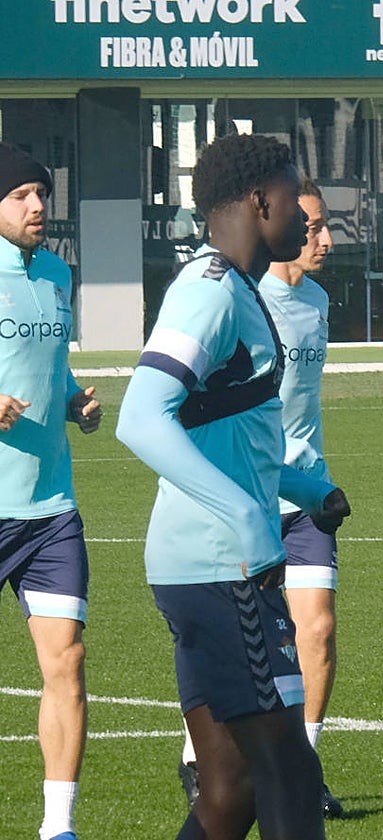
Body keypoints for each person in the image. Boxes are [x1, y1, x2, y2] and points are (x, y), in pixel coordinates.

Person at [115, 132, 350, 840]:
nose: (307, 216)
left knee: (230, 789)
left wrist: (306, 488)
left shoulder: (239, 290)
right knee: (291, 770)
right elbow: (140, 417)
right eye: (293, 198)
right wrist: (250, 521)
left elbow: (223, 430)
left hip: (212, 567)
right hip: (222, 568)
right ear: (258, 201)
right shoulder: (210, 291)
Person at [177, 178, 344, 818]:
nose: (322, 239)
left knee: (317, 630)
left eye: (325, 226)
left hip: (306, 489)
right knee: (238, 642)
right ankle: (200, 754)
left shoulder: (318, 300)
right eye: (312, 226)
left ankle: (304, 766)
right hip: (247, 493)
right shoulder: (240, 296)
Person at [0, 143, 102, 840]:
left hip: (51, 510)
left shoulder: (58, 273)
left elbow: (52, 364)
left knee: (66, 660)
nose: (37, 205)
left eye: (41, 192)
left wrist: (71, 401)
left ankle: (57, 827)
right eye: (20, 196)